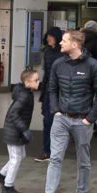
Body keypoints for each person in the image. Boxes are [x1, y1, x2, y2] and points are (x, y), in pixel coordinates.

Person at [32, 30, 97, 193]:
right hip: (61, 119)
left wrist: (89, 119)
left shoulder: (92, 66)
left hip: (82, 120)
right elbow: (52, 89)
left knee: (83, 161)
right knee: (55, 158)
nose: (60, 43)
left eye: (64, 41)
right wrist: (56, 111)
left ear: (75, 44)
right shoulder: (59, 64)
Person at [0, 67, 39, 193]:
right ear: (27, 82)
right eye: (35, 80)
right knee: (15, 158)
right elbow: (13, 113)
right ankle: (7, 187)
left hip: (17, 130)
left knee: (21, 156)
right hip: (14, 130)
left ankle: (2, 175)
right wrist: (24, 129)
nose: (38, 82)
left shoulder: (26, 92)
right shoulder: (24, 96)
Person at [35, 26, 63, 162]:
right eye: (48, 37)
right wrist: (42, 92)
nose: (48, 39)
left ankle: (56, 149)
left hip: (60, 91)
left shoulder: (64, 53)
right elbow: (46, 73)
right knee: (47, 121)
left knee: (59, 123)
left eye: (51, 37)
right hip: (48, 91)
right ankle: (47, 150)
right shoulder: (46, 52)